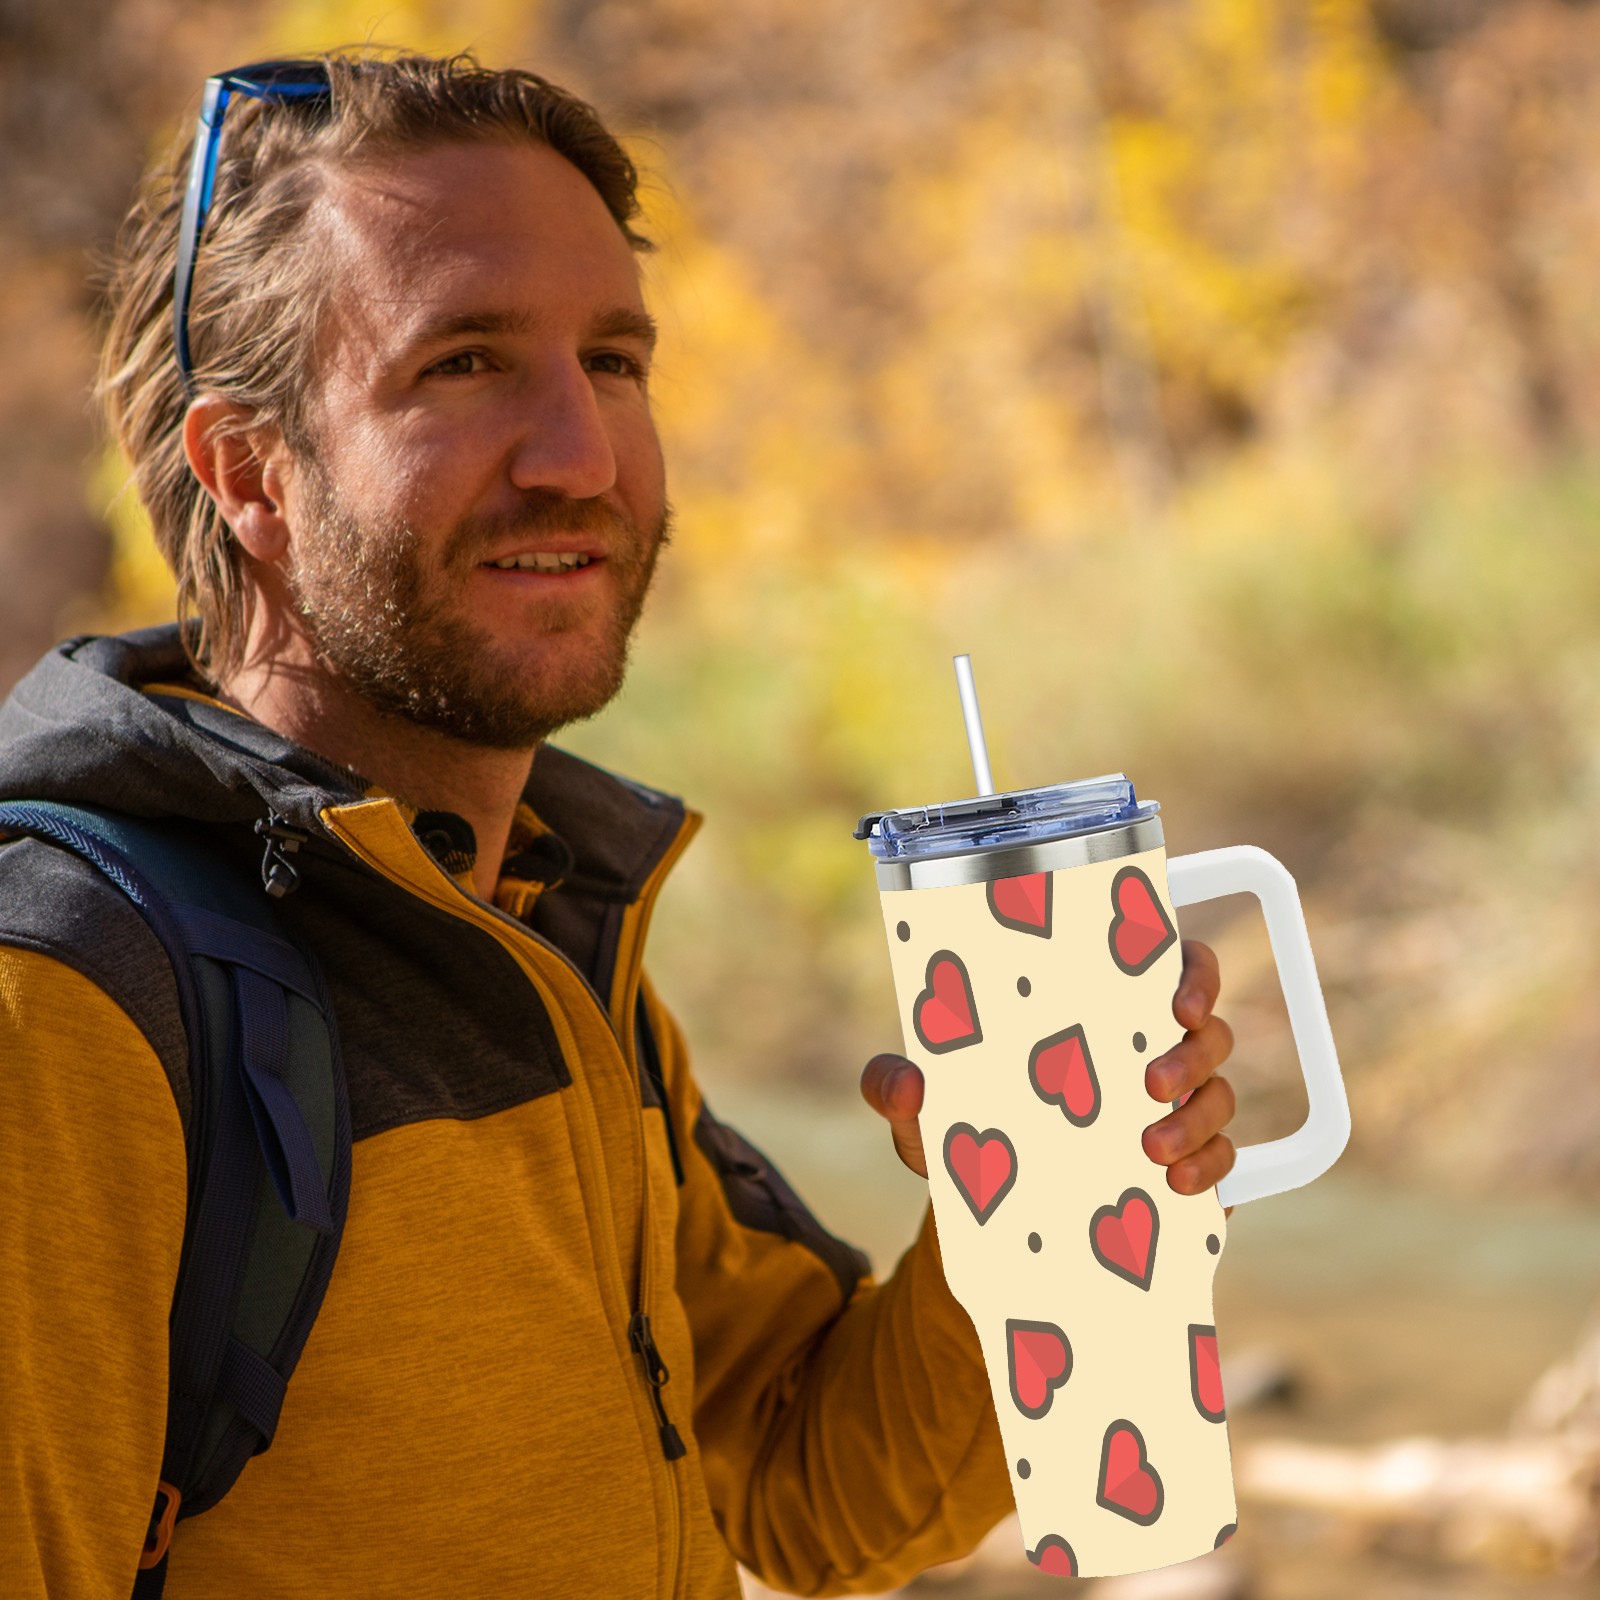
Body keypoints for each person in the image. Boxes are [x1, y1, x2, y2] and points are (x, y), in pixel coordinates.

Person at [0, 50, 1239, 1598]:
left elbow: (808, 1488)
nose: (581, 455)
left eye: (614, 360)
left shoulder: (541, 923)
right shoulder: (70, 998)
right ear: (250, 473)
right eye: (464, 363)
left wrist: (1040, 1211)